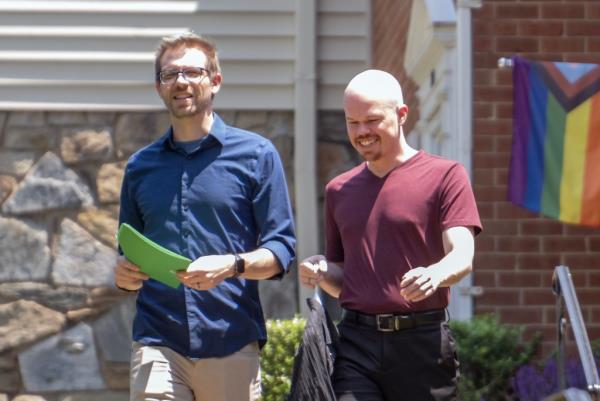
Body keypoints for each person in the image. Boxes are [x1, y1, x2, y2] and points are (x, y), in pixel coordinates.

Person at [113, 32, 296, 401]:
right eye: (170, 75)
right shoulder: (140, 167)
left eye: (193, 72)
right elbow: (128, 251)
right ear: (159, 87)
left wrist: (232, 266)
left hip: (230, 339)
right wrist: (124, 275)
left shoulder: (257, 155)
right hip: (157, 338)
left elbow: (281, 250)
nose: (181, 81)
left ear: (215, 81)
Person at [299, 69, 482, 401]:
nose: (362, 132)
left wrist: (435, 274)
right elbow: (345, 277)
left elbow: (462, 255)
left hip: (422, 344)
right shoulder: (338, 190)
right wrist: (323, 270)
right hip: (357, 344)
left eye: (371, 120)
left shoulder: (446, 176)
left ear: (401, 115)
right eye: (352, 123)